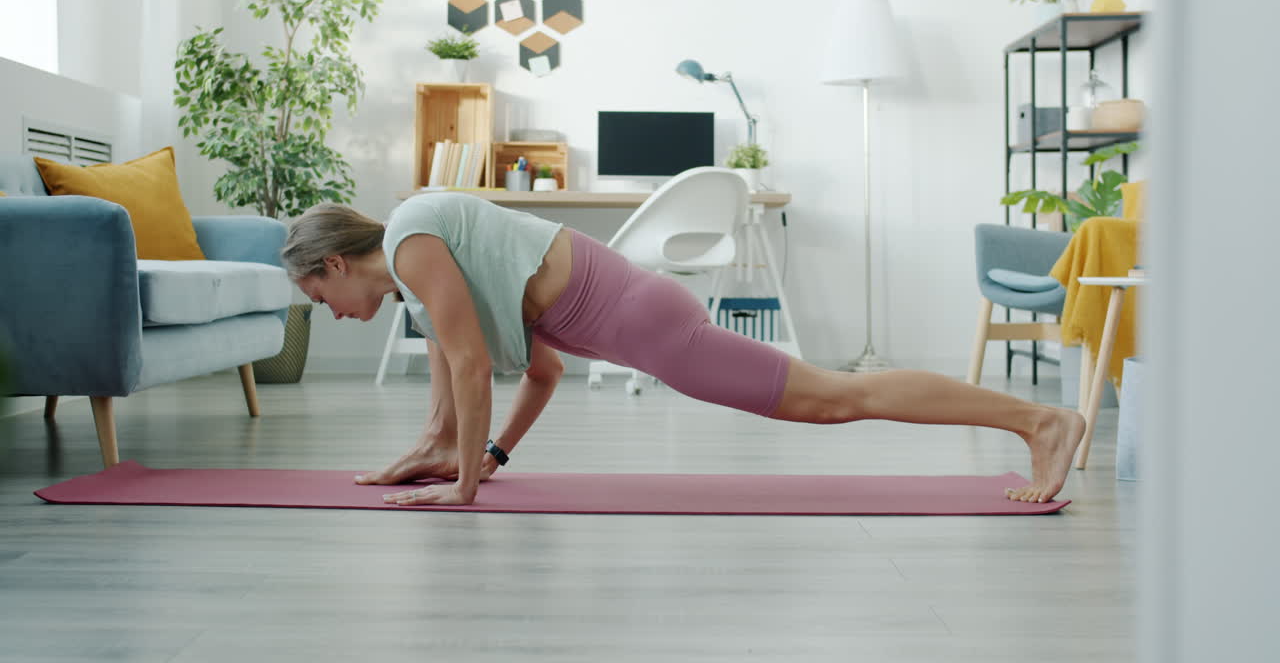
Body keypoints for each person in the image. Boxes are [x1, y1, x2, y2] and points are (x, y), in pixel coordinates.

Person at [281, 193, 1085, 507]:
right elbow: (545, 370)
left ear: (336, 264)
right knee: (836, 397)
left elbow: (465, 365)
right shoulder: (430, 259)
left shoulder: (415, 241)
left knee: (841, 396)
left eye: (322, 300)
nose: (338, 316)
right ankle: (1033, 422)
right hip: (647, 322)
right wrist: (480, 455)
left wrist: (459, 487)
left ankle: (1038, 423)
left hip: (652, 328)